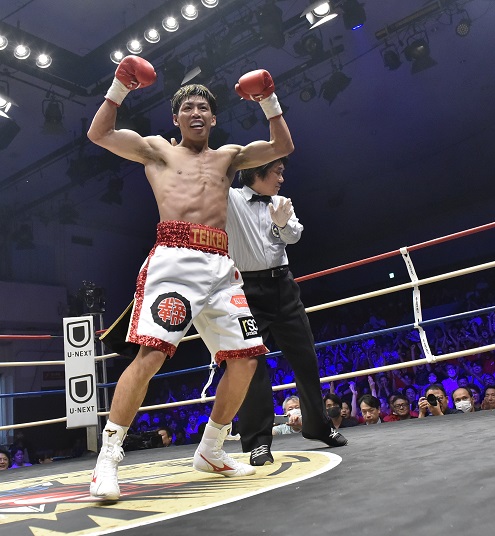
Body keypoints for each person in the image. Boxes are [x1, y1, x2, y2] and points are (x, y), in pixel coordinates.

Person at [86, 56, 294, 500]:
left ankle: (212, 449)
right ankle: (107, 458)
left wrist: (268, 100)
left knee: (246, 358)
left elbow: (282, 145)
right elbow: (99, 134)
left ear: (214, 118)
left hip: (221, 265)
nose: (196, 113)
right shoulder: (158, 150)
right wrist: (120, 88)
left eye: (203, 108)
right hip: (174, 261)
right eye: (188, 108)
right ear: (176, 118)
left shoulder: (229, 157)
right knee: (151, 357)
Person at [226, 157, 347, 466]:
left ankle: (318, 426)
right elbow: (214, 174)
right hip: (246, 291)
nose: (282, 178)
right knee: (252, 365)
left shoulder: (281, 201)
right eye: (277, 172)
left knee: (305, 357)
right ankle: (258, 441)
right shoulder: (232, 199)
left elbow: (294, 235)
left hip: (283, 286)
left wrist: (281, 222)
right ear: (257, 171)